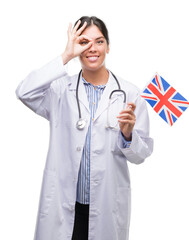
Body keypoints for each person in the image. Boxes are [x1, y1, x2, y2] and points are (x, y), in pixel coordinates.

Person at [15, 16, 153, 240]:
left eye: (99, 41)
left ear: (108, 46)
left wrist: (128, 135)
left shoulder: (129, 94)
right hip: (65, 204)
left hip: (107, 204)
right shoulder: (60, 90)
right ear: (76, 47)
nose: (92, 48)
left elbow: (141, 155)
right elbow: (24, 92)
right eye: (84, 42)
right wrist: (65, 55)